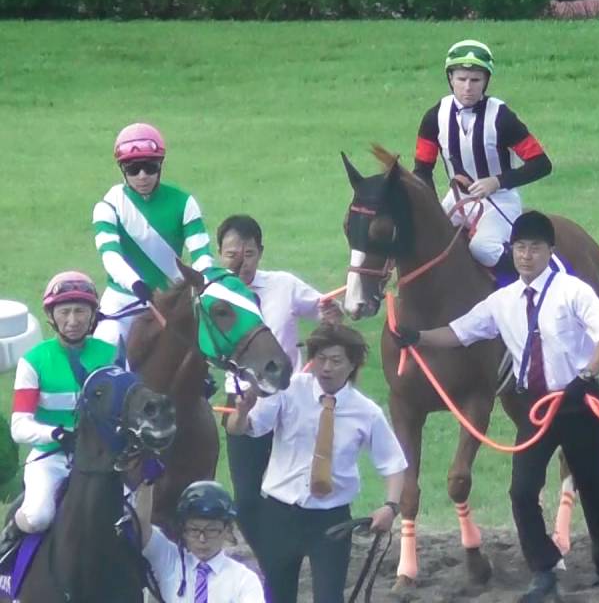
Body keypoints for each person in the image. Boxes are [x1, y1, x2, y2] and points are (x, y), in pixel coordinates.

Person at [392, 211, 599, 602]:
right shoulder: (502, 301)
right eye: (520, 248)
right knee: (521, 491)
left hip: (577, 401)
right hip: (535, 407)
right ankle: (544, 568)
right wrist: (418, 337)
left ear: (550, 251)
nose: (526, 256)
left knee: (594, 484)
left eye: (534, 248)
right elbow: (460, 332)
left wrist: (585, 377)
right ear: (511, 252)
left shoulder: (573, 292)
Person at [225, 324, 407, 603]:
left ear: (352, 365)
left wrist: (390, 506)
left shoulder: (366, 412)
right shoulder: (289, 391)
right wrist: (241, 412)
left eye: (336, 361)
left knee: (330, 597)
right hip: (279, 514)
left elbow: (393, 463)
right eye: (321, 358)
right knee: (277, 595)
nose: (326, 367)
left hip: (331, 521)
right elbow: (243, 429)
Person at [216, 214, 342, 555]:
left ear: (261, 252)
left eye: (249, 253)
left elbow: (325, 310)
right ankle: (273, 560)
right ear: (219, 254)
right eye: (232, 254)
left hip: (290, 399)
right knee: (245, 497)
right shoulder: (215, 296)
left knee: (294, 487)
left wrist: (332, 314)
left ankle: (291, 555)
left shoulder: (283, 285)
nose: (241, 263)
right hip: (242, 400)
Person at [412, 39, 553, 282]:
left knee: (482, 248)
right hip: (457, 199)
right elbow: (422, 170)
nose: (468, 87)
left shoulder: (502, 117)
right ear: (450, 79)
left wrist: (496, 182)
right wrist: (431, 208)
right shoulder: (434, 117)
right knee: (420, 239)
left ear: (486, 81)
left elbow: (541, 164)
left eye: (475, 80)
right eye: (461, 79)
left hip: (499, 200)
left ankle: (524, 288)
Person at [1, 272, 119, 554]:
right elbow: (19, 425)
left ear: (93, 315)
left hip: (102, 456)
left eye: (81, 311)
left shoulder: (111, 354)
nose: (73, 320)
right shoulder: (33, 360)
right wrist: (54, 433)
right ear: (52, 316)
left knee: (134, 517)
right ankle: (10, 535)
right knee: (38, 516)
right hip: (50, 456)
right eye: (65, 311)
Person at [92, 122, 215, 361]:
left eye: (150, 167)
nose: (142, 176)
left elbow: (201, 254)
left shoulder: (184, 202)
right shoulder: (108, 206)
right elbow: (110, 256)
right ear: (122, 170)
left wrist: (204, 281)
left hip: (172, 302)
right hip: (123, 301)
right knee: (104, 345)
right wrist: (136, 284)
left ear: (160, 166)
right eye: (133, 169)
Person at [134, 479, 266, 602]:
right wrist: (147, 480)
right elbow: (140, 526)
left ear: (227, 529)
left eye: (211, 530)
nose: (202, 539)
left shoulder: (243, 579)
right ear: (183, 530)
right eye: (194, 530)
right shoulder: (171, 561)